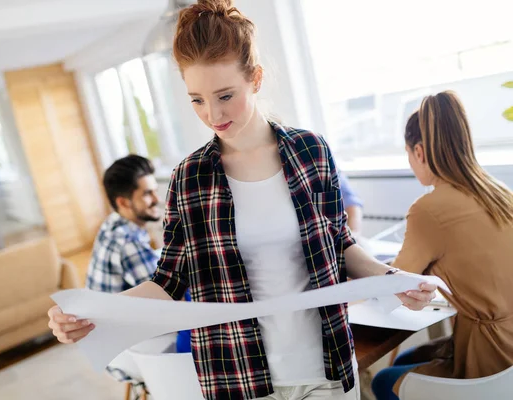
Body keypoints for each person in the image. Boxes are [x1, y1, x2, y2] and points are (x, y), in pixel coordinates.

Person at [48, 1, 437, 399]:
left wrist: (393, 281)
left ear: (256, 79)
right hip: (238, 376)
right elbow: (168, 281)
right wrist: (90, 312)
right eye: (196, 99)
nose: (212, 114)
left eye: (225, 95)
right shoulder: (189, 178)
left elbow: (340, 243)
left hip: (327, 366)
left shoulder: (311, 151)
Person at [371, 91, 513, 400]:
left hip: (492, 360)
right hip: (510, 350)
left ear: (419, 152)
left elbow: (391, 288)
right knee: (408, 359)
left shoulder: (429, 210)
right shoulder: (498, 191)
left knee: (382, 381)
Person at [84, 155, 162, 293]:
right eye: (148, 194)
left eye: (155, 191)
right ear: (123, 202)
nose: (157, 199)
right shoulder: (128, 241)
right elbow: (164, 294)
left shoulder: (112, 221)